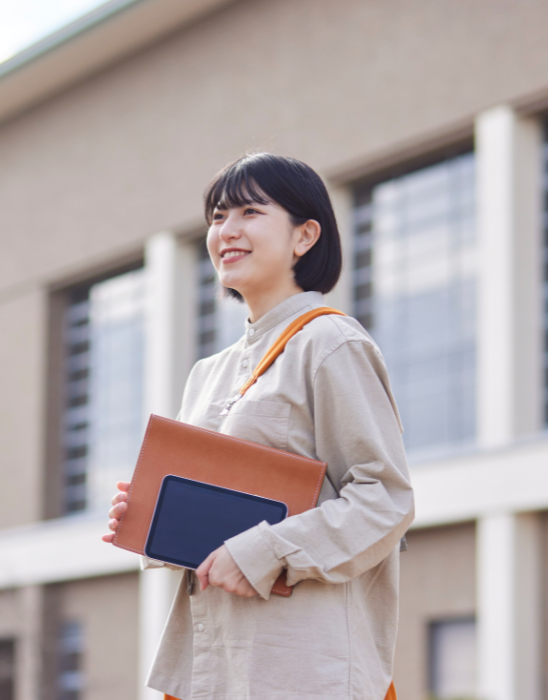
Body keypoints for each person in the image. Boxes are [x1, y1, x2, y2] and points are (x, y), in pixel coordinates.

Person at [102, 153, 414, 700]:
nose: (227, 230)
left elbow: (384, 498)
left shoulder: (330, 343)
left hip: (301, 666)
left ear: (304, 236)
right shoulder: (207, 372)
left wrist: (266, 551)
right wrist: (150, 517)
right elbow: (217, 513)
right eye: (219, 216)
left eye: (250, 212)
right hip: (213, 665)